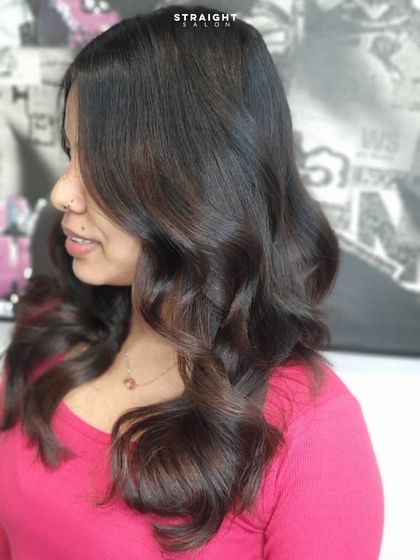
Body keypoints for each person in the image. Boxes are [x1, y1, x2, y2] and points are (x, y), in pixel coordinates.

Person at [0, 5, 384, 559]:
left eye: (98, 163)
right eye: (70, 153)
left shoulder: (311, 432)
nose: (62, 192)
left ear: (194, 181)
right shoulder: (52, 331)